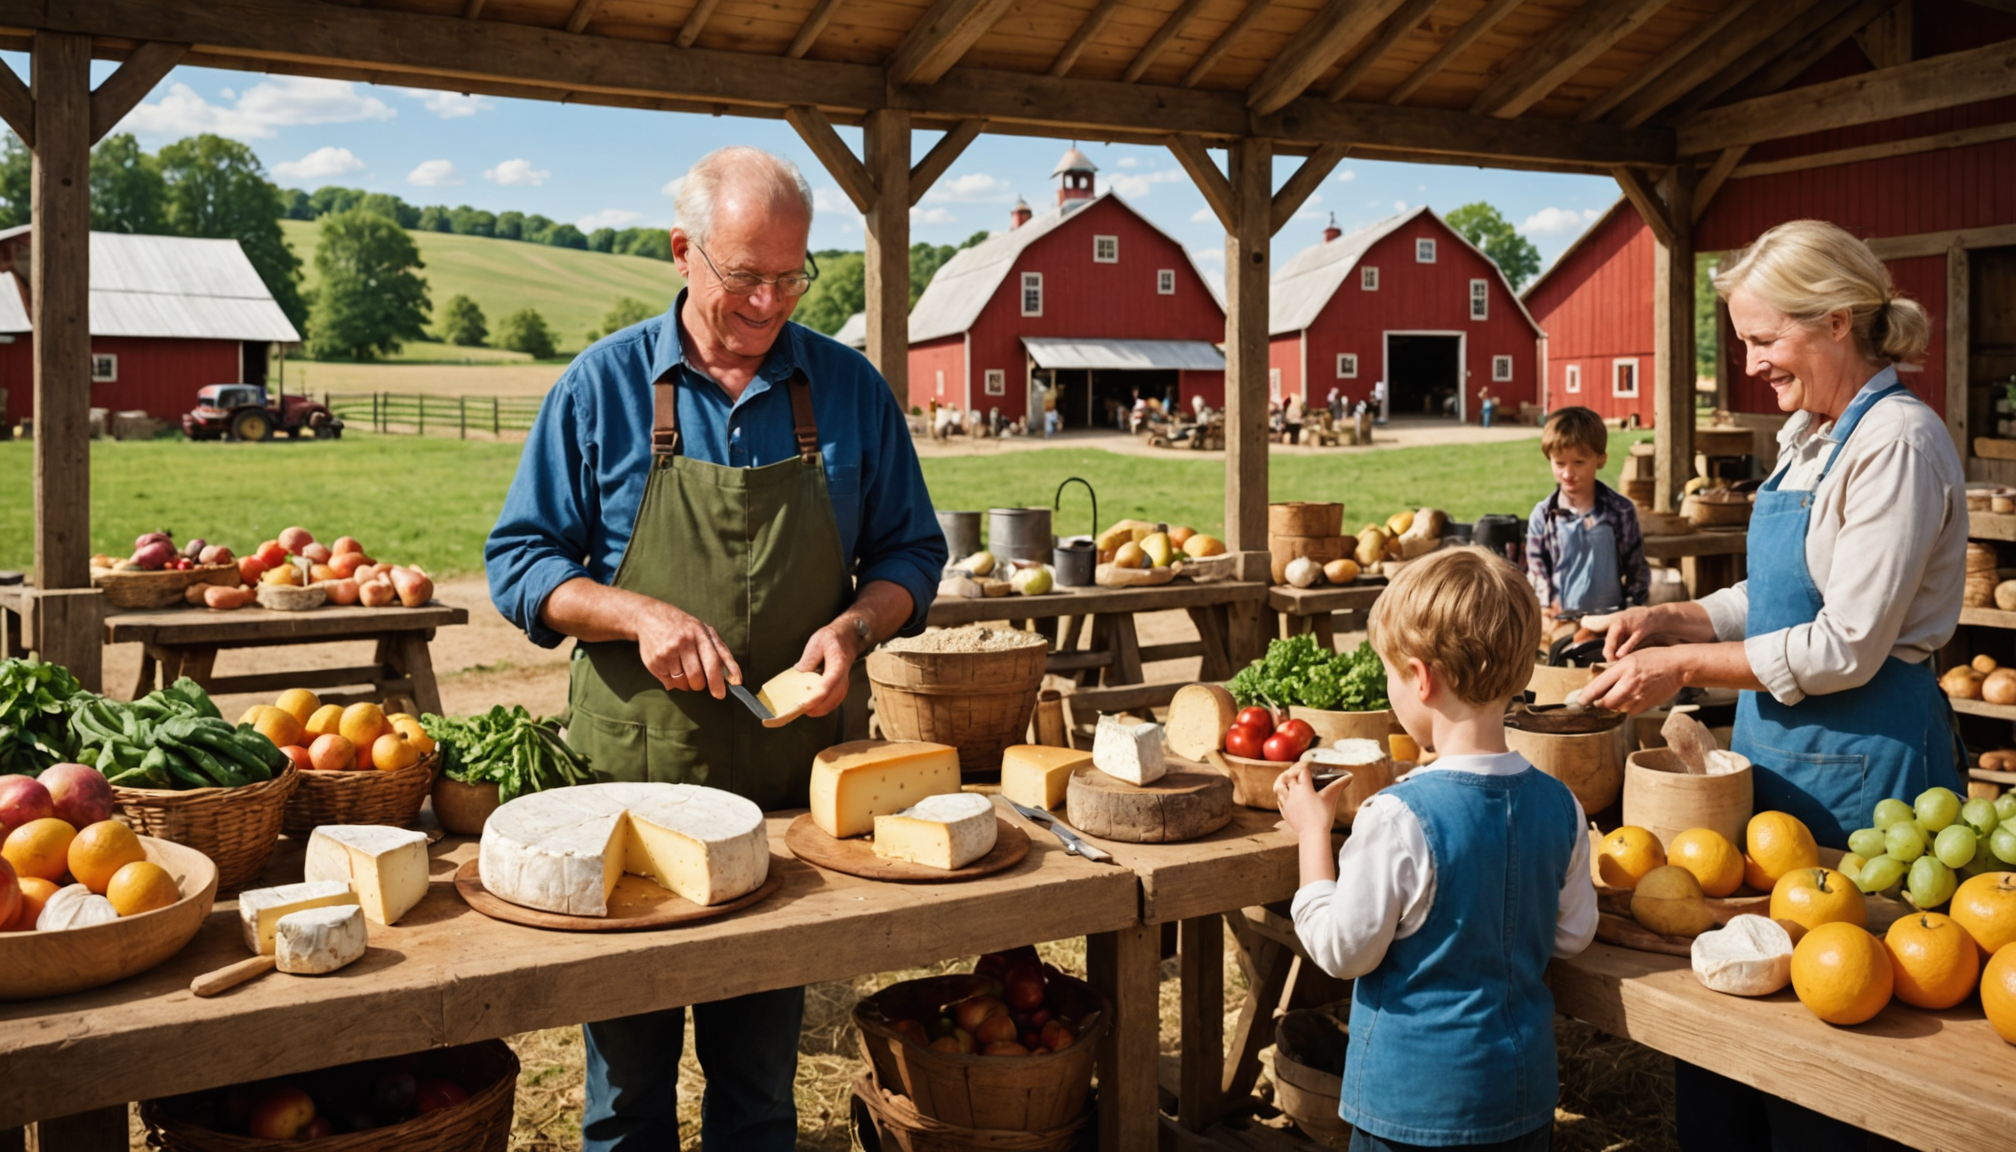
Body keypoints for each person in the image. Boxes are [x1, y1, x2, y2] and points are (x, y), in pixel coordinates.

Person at [485, 146, 946, 1152]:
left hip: (787, 810)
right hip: (631, 814)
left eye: (792, 276)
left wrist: (857, 626)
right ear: (683, 252)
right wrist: (633, 614)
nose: (770, 300)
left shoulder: (849, 388)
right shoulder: (601, 388)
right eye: (746, 275)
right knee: (625, 1101)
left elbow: (913, 548)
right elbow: (520, 562)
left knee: (758, 1096)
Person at [1581, 220, 1964, 1151]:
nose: (1750, 363)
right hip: (1770, 754)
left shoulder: (1898, 442)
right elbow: (1779, 593)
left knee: (1832, 1017)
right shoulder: (1811, 437)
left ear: (1837, 322)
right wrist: (1677, 619)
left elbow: (1845, 644)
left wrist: (1678, 670)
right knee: (1739, 987)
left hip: (1863, 766)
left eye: (1763, 339)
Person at [1277, 547, 1596, 1152]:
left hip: (1414, 1113)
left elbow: (1343, 951)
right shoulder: (1563, 805)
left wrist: (1313, 834)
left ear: (1421, 678)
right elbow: (1573, 936)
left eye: (1390, 674)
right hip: (1521, 1102)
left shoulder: (1397, 816)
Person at [1525, 406, 1649, 639]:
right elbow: (1536, 567)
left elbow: (1636, 567)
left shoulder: (1620, 511)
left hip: (1610, 621)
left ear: (1600, 459)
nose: (1568, 473)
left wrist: (1634, 607)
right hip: (1561, 622)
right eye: (1560, 463)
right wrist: (1544, 604)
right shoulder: (1543, 515)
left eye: (1579, 462)